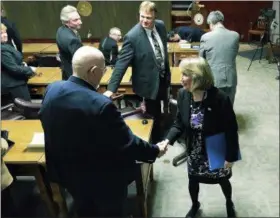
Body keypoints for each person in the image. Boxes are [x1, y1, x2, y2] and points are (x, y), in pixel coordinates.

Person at [39, 46, 168, 217]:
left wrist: (96, 100)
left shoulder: (52, 89)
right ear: (93, 71)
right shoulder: (101, 105)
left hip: (68, 173)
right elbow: (127, 143)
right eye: (103, 69)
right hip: (101, 180)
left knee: (84, 210)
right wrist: (155, 150)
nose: (104, 73)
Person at [160, 57, 240, 218]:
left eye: (185, 74)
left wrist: (230, 157)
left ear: (198, 76)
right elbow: (179, 123)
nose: (181, 78)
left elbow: (231, 130)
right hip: (194, 149)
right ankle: (195, 204)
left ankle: (229, 201)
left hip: (215, 148)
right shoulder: (183, 94)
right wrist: (167, 140)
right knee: (193, 179)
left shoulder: (220, 98)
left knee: (222, 180)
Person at [103, 1, 171, 144]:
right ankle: (154, 143)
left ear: (154, 16)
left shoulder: (160, 26)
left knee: (163, 109)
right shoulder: (132, 37)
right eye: (142, 17)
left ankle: (162, 132)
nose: (145, 21)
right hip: (148, 83)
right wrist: (111, 89)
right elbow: (121, 64)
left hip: (163, 78)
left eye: (148, 18)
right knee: (152, 115)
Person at [199, 11, 239, 105]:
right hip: (231, 78)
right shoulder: (235, 36)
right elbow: (233, 54)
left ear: (210, 23)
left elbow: (201, 61)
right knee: (228, 106)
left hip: (214, 79)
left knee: (213, 109)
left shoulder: (206, 37)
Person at [1, 23, 36, 102]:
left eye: (5, 32)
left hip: (15, 81)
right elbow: (13, 68)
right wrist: (30, 69)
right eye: (1, 33)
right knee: (26, 109)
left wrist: (23, 63)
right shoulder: (2, 50)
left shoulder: (5, 45)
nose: (5, 35)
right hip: (14, 84)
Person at [56, 5, 83, 80]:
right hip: (75, 76)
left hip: (66, 72)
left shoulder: (60, 30)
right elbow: (82, 60)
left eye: (79, 18)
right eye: (75, 20)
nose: (80, 22)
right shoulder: (72, 40)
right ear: (66, 22)